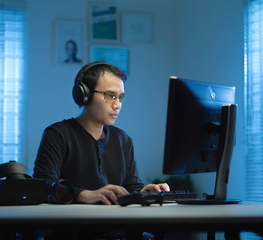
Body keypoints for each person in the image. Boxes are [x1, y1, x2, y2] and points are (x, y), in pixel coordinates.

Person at [33, 62, 169, 239]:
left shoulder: (123, 139)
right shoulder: (57, 134)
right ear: (84, 95)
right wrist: (82, 194)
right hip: (74, 234)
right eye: (110, 96)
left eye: (120, 97)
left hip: (121, 234)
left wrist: (143, 194)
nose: (117, 105)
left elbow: (131, 188)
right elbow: (43, 186)